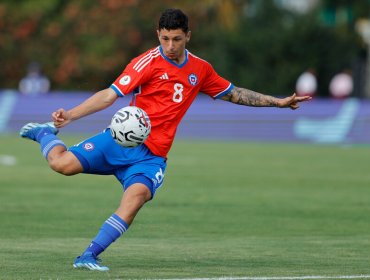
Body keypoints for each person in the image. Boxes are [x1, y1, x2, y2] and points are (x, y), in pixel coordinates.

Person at [19, 8, 311, 271]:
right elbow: (110, 95)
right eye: (165, 39)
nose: (170, 46)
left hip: (151, 156)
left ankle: (88, 256)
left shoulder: (201, 69)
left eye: (177, 39)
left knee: (135, 199)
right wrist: (70, 116)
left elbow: (234, 93)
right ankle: (44, 133)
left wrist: (277, 102)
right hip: (120, 141)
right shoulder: (145, 62)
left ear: (188, 36)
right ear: (158, 35)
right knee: (61, 165)